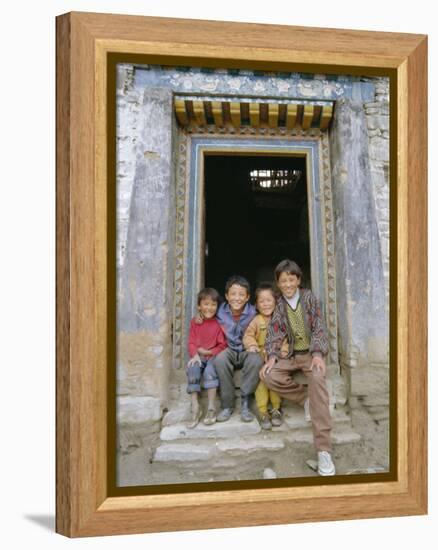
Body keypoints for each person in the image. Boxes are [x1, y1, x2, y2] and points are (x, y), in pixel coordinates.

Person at [260, 259, 336, 476]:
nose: (287, 284)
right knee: (268, 375)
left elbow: (319, 327)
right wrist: (272, 356)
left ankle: (323, 450)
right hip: (291, 355)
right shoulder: (279, 304)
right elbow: (274, 332)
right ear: (278, 283)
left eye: (291, 279)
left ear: (298, 280)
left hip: (311, 354)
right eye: (283, 280)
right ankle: (305, 399)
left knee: (318, 379)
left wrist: (318, 354)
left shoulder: (309, 298)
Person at [213, 275, 264, 422]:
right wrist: (199, 318)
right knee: (220, 360)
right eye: (233, 294)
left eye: (241, 294)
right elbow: (206, 315)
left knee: (256, 360)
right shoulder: (219, 311)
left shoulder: (254, 312)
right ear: (227, 296)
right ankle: (227, 405)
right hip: (228, 349)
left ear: (247, 297)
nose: (237, 298)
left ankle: (246, 403)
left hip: (247, 350)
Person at [243, 283, 286, 430]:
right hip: (261, 356)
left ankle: (275, 408)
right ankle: (262, 411)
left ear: (275, 302)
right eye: (262, 301)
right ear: (256, 304)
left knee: (273, 377)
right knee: (261, 380)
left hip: (276, 358)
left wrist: (283, 352)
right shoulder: (256, 320)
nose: (266, 304)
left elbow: (286, 339)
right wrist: (252, 346)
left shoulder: (280, 320)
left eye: (269, 300)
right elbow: (248, 336)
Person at [186, 287, 227, 428]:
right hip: (199, 356)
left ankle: (211, 407)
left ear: (217, 307)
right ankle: (195, 407)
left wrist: (210, 352)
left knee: (210, 372)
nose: (209, 308)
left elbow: (223, 345)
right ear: (199, 306)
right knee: (192, 368)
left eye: (213, 304)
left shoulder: (218, 324)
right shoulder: (194, 322)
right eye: (206, 304)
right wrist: (195, 354)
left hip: (212, 356)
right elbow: (191, 342)